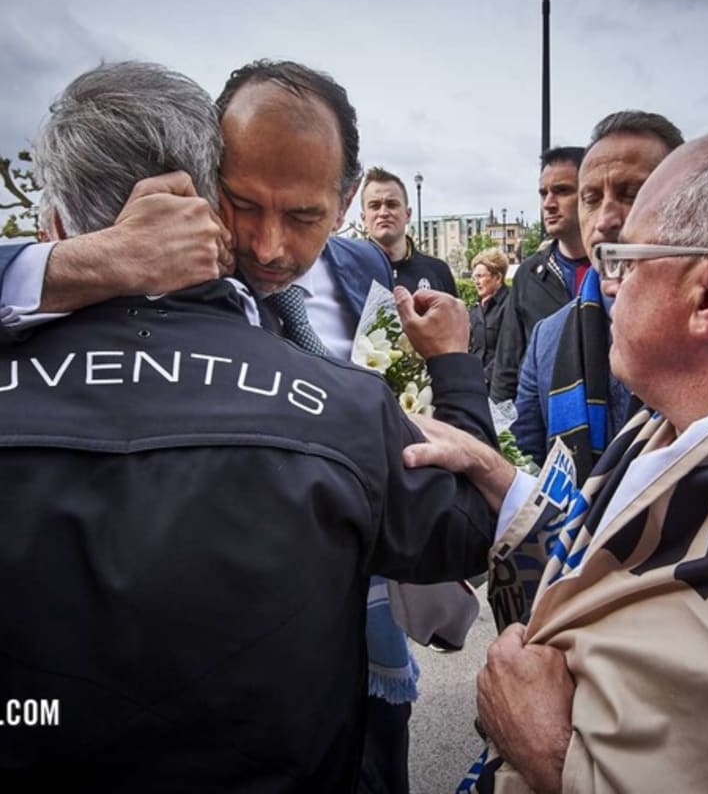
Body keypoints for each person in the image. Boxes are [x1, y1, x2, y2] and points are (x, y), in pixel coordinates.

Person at [0, 60, 499, 793]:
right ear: (200, 196)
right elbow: (466, 524)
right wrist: (454, 376)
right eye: (243, 205)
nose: (269, 248)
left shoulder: (362, 287)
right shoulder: (343, 405)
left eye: (304, 216)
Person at [406, 115, 708, 793]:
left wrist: (548, 756)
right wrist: (495, 472)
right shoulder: (671, 424)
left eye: (625, 261)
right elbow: (603, 551)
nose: (604, 276)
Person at [512, 112, 684, 477]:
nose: (606, 218)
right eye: (591, 198)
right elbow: (524, 462)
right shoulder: (548, 338)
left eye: (631, 194)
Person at [490, 146, 586, 403]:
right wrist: (501, 431)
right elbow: (507, 363)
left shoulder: (615, 271)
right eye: (544, 193)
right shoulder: (528, 275)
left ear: (591, 193)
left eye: (563, 191)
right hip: (541, 428)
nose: (548, 203)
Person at [360, 165, 458, 295]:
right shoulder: (348, 273)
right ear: (363, 218)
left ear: (408, 214)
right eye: (375, 206)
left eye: (392, 204)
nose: (383, 212)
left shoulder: (438, 271)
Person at [468, 247, 510, 391]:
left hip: (499, 385)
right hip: (475, 382)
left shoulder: (510, 305)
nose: (476, 281)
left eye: (480, 276)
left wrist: (485, 376)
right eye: (474, 277)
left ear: (497, 277)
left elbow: (508, 350)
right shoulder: (474, 309)